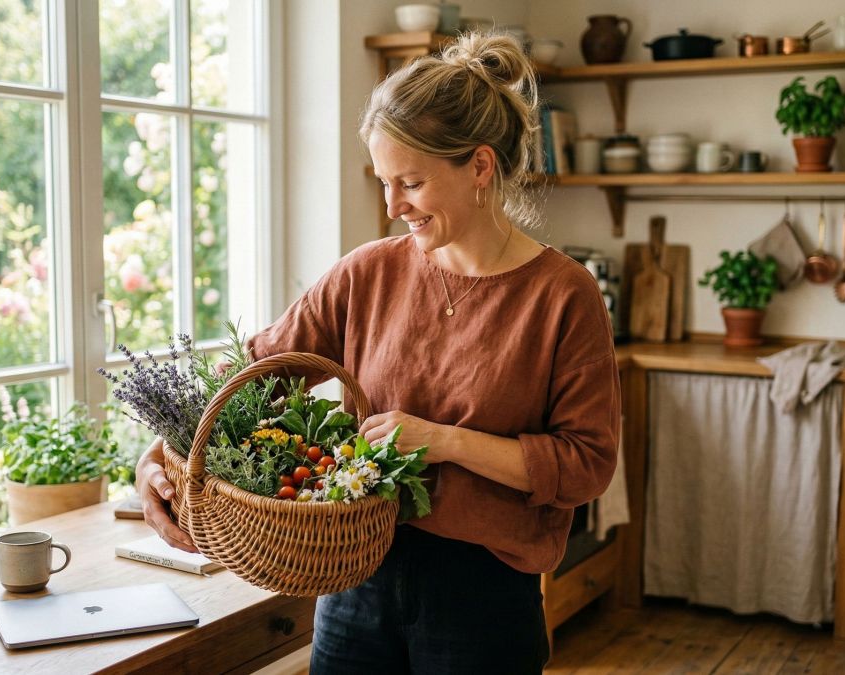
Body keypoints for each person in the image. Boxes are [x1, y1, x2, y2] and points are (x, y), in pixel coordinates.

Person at [134, 33, 620, 674]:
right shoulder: (367, 273)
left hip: (483, 601)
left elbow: (585, 467)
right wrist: (156, 457)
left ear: (479, 167)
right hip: (352, 582)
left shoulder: (563, 295)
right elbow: (248, 377)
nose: (392, 208)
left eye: (412, 183)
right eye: (385, 182)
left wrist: (443, 441)